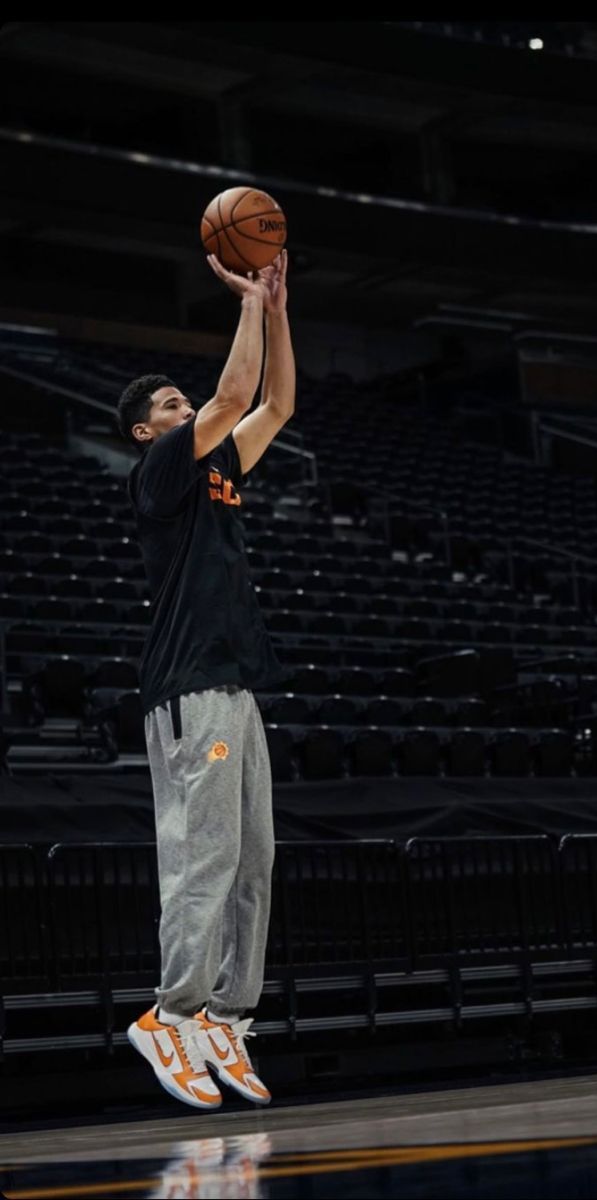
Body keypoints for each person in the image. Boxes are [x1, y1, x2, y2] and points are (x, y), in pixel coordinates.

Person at [116, 249, 294, 1109]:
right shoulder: (157, 472)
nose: (185, 405)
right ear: (148, 431)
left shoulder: (222, 467)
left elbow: (276, 403)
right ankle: (168, 1013)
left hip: (236, 682)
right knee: (206, 858)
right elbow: (230, 398)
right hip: (187, 685)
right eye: (168, 405)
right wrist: (245, 304)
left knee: (255, 858)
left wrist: (277, 304)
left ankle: (224, 1014)